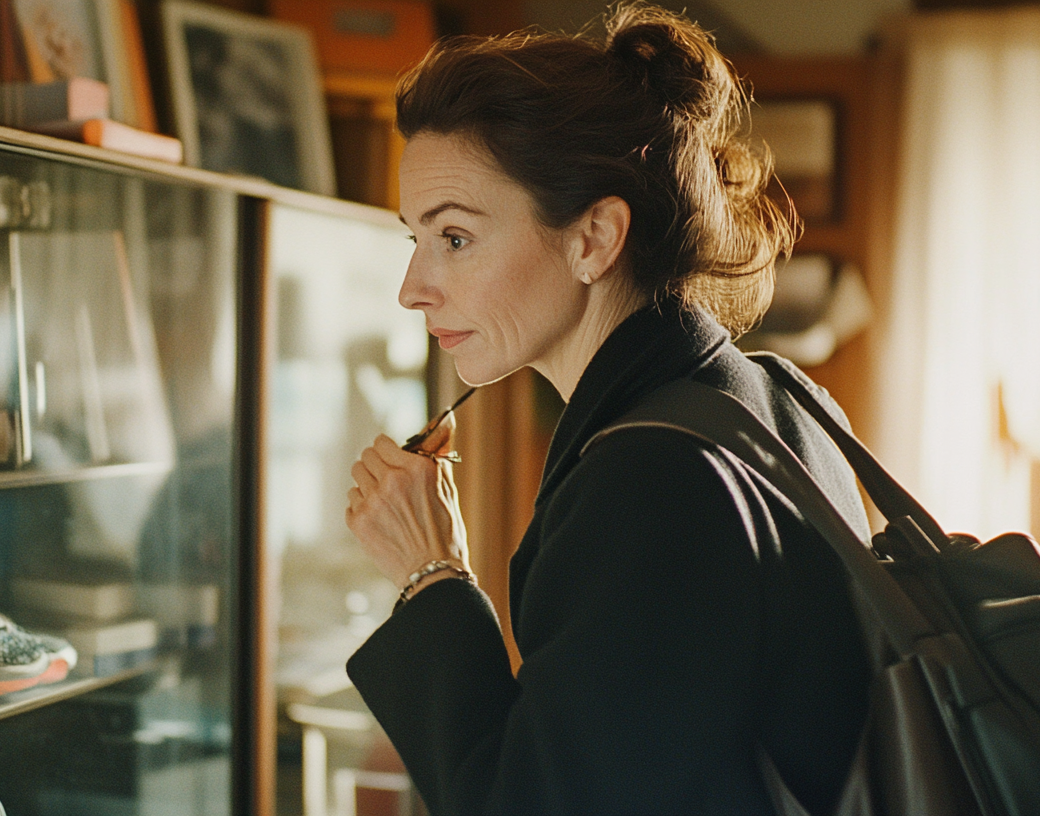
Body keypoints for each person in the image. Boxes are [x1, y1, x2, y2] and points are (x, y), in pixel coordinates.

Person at [343, 4, 870, 813]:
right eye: (413, 238)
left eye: (454, 239)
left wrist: (430, 574)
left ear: (593, 238)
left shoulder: (651, 480)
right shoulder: (779, 398)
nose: (413, 288)